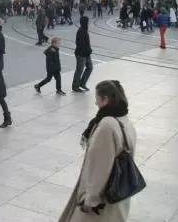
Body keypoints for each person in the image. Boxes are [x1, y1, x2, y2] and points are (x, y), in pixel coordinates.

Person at [59, 80, 136, 222]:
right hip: (118, 197)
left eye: (97, 99)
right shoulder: (125, 121)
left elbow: (101, 167)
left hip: (100, 204)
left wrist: (91, 200)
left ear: (105, 100)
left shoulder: (107, 125)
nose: (96, 103)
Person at [72, 16, 93, 93]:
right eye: (87, 22)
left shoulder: (84, 30)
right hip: (81, 54)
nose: (88, 23)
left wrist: (88, 50)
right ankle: (75, 86)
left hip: (86, 54)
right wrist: (88, 50)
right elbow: (80, 44)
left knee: (90, 67)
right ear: (85, 22)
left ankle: (82, 83)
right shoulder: (81, 31)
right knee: (79, 70)